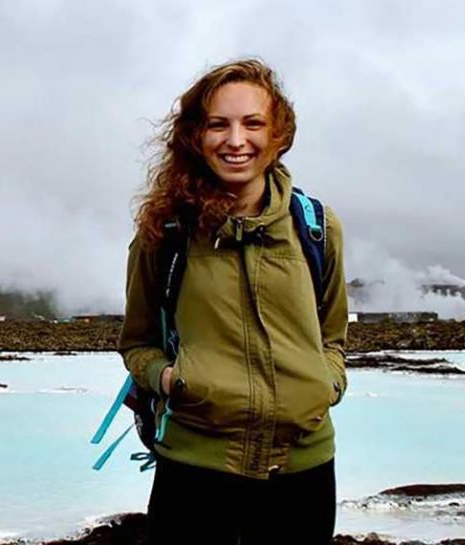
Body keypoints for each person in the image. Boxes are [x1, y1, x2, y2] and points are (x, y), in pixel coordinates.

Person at [118, 59, 348, 545]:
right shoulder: (166, 234)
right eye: (218, 124)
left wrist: (325, 384)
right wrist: (170, 379)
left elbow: (332, 336)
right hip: (194, 471)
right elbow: (137, 343)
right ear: (196, 137)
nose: (235, 140)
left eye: (253, 123)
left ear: (279, 134)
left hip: (304, 472)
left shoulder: (317, 228)